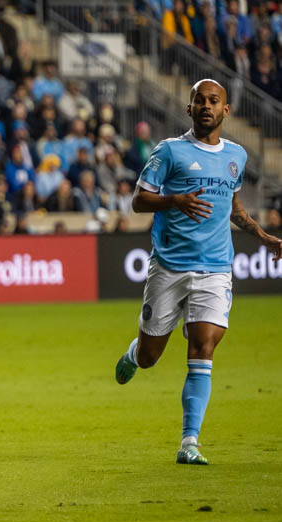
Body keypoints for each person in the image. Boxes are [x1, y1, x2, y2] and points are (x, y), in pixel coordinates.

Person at [114, 80, 282, 465]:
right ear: (189, 109)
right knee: (150, 356)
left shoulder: (236, 156)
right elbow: (138, 200)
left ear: (226, 111)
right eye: (199, 101)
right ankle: (133, 354)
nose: (206, 106)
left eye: (213, 101)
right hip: (169, 268)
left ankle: (190, 442)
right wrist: (174, 200)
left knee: (203, 349)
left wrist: (262, 235)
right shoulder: (170, 151)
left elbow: (232, 205)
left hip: (216, 269)